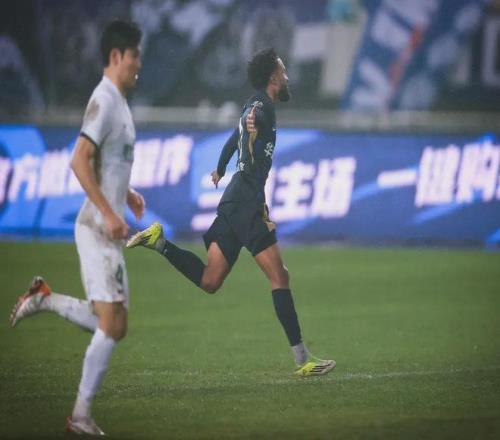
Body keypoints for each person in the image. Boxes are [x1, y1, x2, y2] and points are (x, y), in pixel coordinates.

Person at [127, 48, 335, 377]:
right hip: (246, 201)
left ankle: (160, 242)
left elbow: (234, 137)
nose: (287, 77)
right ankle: (302, 359)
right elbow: (253, 118)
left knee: (210, 280)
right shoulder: (261, 106)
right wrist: (253, 120)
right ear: (273, 77)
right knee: (279, 277)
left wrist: (221, 168)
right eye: (283, 71)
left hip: (234, 199)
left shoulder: (254, 104)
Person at [9, 19, 144, 435]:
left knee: (115, 323)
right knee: (112, 325)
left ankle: (45, 299)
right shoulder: (104, 100)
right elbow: (78, 160)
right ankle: (80, 416)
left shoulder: (120, 102)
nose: (139, 63)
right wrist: (108, 212)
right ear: (116, 56)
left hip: (107, 227)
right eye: (134, 55)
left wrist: (127, 194)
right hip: (97, 228)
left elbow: (105, 161)